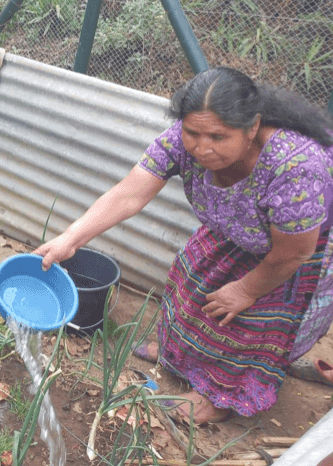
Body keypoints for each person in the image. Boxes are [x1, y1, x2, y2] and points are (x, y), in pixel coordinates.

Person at [34, 67, 333, 424]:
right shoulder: (181, 139)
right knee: (189, 287)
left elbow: (294, 253)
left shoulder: (294, 167)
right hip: (235, 229)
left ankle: (217, 399)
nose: (202, 148)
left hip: (295, 250)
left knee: (246, 323)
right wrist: (70, 239)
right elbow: (129, 195)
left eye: (219, 137)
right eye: (193, 132)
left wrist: (246, 289)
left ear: (252, 128)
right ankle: (181, 357)